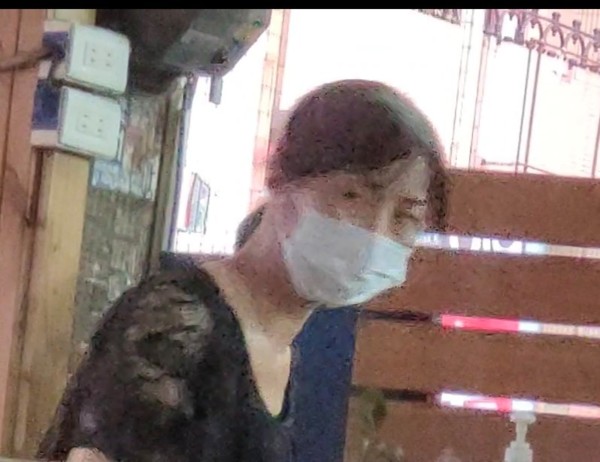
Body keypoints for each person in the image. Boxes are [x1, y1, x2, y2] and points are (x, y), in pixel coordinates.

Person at [37, 79, 449, 462]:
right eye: (352, 196)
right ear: (282, 181)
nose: (375, 232)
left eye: (405, 217)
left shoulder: (280, 350)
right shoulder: (180, 321)